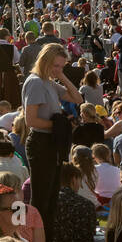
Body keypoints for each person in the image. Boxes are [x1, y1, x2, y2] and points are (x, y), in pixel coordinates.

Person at [22, 43, 81, 230]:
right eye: (55, 65)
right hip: (41, 143)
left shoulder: (47, 82)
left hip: (51, 142)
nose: (58, 69)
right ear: (45, 61)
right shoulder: (35, 82)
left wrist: (62, 75)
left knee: (51, 197)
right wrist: (60, 125)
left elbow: (77, 98)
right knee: (42, 198)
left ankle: (44, 237)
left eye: (61, 66)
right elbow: (31, 120)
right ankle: (38, 237)